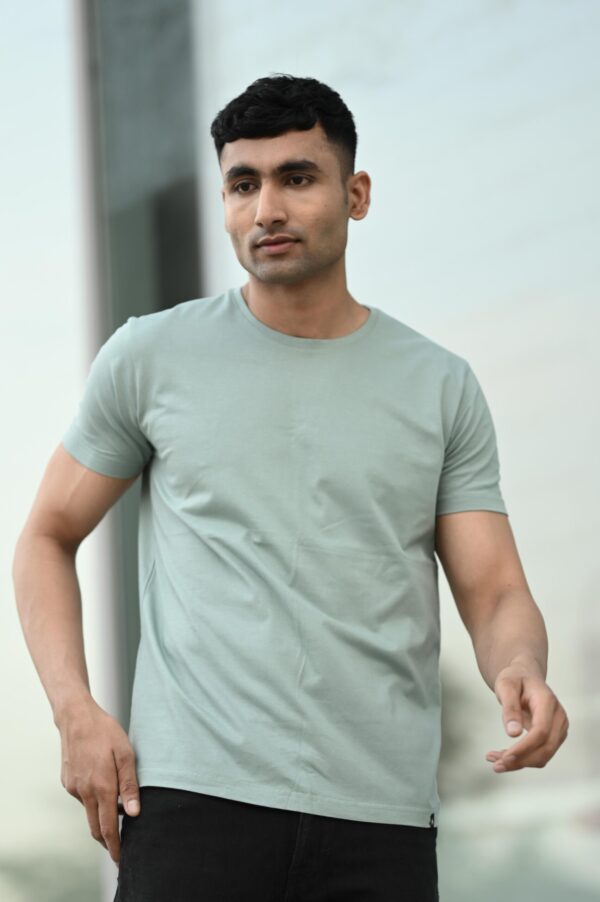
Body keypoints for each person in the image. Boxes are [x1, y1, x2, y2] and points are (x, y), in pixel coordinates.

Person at [12, 73, 569, 901]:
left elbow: (493, 591)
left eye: (296, 178)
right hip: (193, 805)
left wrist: (521, 665)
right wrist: (74, 710)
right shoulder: (150, 357)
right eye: (243, 184)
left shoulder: (439, 386)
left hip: (381, 822)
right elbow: (46, 536)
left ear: (357, 195)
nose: (266, 208)